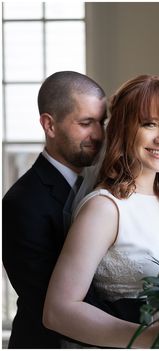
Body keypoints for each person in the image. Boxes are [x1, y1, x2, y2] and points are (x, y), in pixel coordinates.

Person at [43, 75, 159, 348]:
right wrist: (151, 339)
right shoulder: (104, 208)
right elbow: (58, 311)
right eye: (149, 124)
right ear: (124, 129)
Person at [2, 71, 110, 348]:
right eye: (86, 123)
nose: (98, 134)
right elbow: (50, 305)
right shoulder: (22, 203)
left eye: (101, 122)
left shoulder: (101, 186)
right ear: (49, 125)